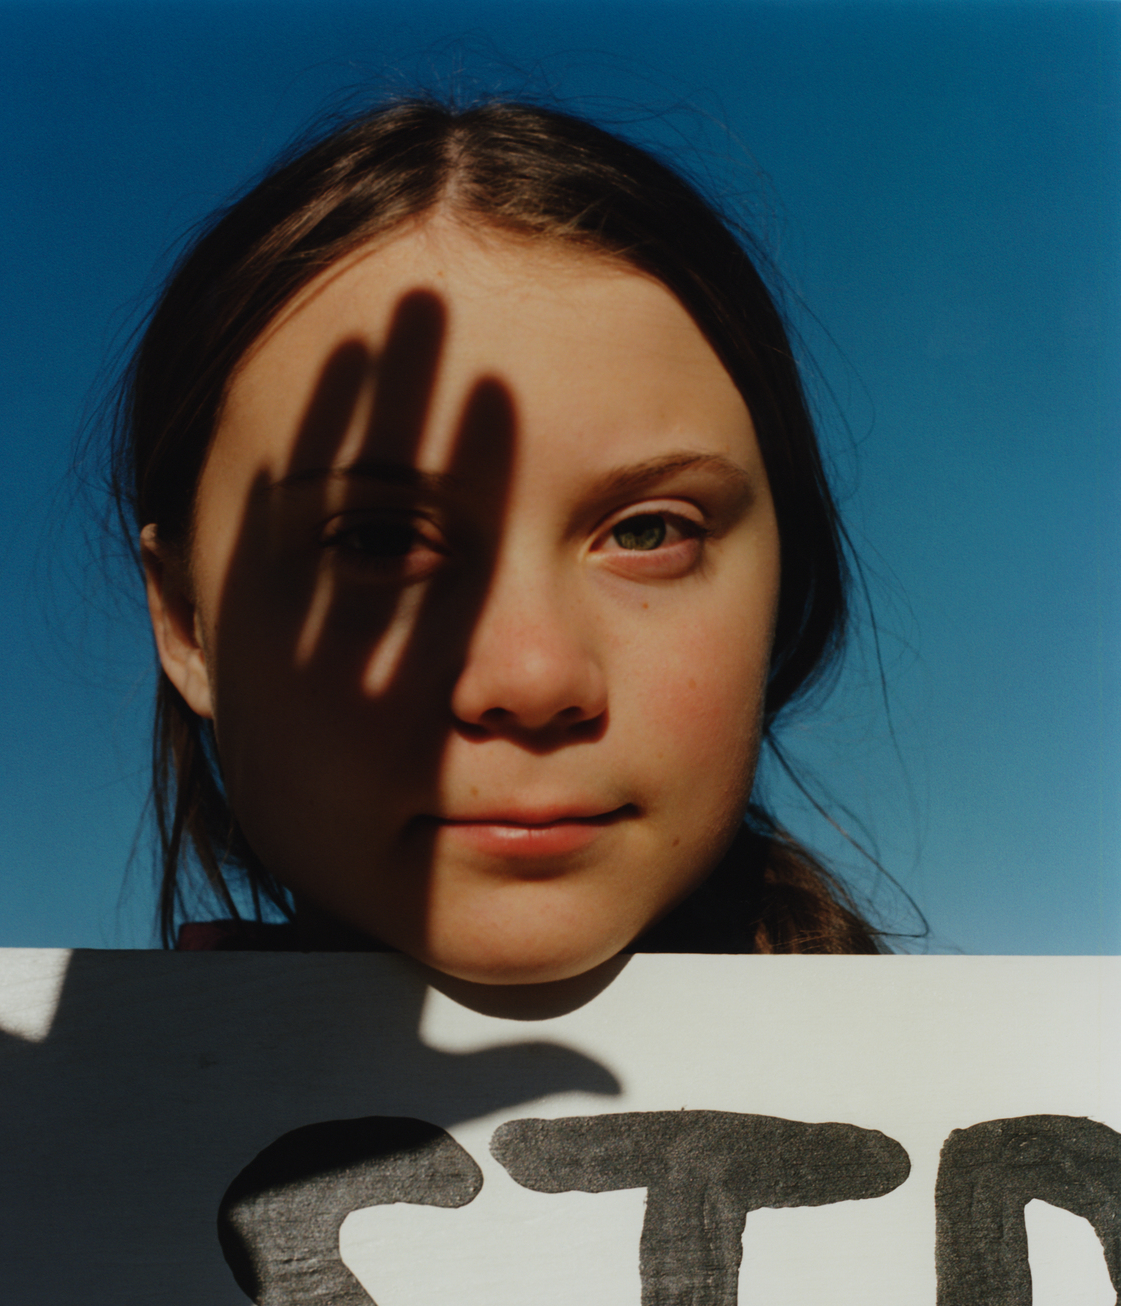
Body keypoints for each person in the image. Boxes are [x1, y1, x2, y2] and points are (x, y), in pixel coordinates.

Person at [108, 96, 885, 982]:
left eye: (647, 530)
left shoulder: (1000, 1092)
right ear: (184, 621)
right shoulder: (35, 1116)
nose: (532, 679)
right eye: (376, 542)